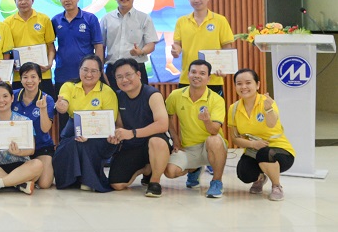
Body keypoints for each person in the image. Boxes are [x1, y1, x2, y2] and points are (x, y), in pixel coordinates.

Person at [52, 54, 119, 192]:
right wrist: (61, 106)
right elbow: (63, 102)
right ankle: (71, 180)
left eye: (94, 71)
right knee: (70, 144)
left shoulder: (107, 92)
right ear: (79, 70)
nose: (89, 74)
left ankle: (88, 180)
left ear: (100, 73)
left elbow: (109, 122)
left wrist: (90, 134)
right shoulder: (69, 86)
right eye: (85, 70)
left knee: (86, 144)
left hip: (100, 135)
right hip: (73, 131)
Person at [163, 59, 228, 198]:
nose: (197, 76)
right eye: (193, 72)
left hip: (210, 147)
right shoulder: (176, 95)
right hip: (188, 148)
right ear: (188, 75)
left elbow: (214, 131)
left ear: (208, 78)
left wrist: (207, 121)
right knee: (170, 172)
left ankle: (217, 181)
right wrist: (175, 139)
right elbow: (167, 116)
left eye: (202, 73)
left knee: (214, 140)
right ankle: (194, 169)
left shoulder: (217, 99)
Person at [228, 68, 295, 201]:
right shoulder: (233, 108)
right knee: (244, 173)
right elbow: (235, 138)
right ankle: (260, 178)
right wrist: (253, 144)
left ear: (257, 85)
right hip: (253, 150)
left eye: (248, 83)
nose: (244, 87)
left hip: (279, 150)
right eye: (239, 83)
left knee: (265, 153)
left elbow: (271, 124)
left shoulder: (267, 102)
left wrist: (268, 109)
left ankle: (276, 186)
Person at [107, 58, 170, 197]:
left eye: (128, 75)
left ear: (139, 74)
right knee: (117, 184)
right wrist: (116, 135)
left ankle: (154, 182)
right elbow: (119, 125)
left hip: (153, 142)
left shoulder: (153, 94)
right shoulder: (117, 97)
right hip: (132, 145)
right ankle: (147, 169)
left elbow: (162, 124)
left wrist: (133, 133)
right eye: (119, 77)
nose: (124, 80)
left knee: (157, 142)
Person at [0, 82, 46, 196]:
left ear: (12, 98)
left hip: (21, 165)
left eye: (5, 96)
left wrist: (19, 152)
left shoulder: (24, 120)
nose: (1, 100)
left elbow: (31, 150)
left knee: (38, 164)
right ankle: (19, 183)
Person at [172, 0, 235, 94]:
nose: (196, 0)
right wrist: (176, 51)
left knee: (214, 106)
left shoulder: (220, 20)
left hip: (213, 78)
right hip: (188, 78)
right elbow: (178, 44)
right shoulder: (181, 21)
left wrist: (225, 68)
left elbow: (227, 47)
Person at [99, 0, 157, 89]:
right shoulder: (106, 19)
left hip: (136, 68)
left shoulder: (144, 18)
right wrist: (100, 69)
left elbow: (151, 44)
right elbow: (100, 46)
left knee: (139, 99)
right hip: (113, 69)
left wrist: (141, 51)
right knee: (112, 99)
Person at [10, 62, 55, 190]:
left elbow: (45, 129)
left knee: (44, 184)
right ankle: (22, 180)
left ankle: (19, 179)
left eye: (33, 77)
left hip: (41, 146)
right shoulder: (13, 96)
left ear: (40, 79)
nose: (29, 81)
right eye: (25, 77)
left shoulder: (47, 99)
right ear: (21, 79)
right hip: (18, 147)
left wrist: (43, 109)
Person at [2, 0, 55, 94]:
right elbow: (7, 51)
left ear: (33, 0)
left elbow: (50, 46)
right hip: (20, 76)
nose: (23, 2)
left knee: (45, 103)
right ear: (15, 1)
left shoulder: (44, 19)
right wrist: (11, 65)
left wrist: (49, 64)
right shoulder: (7, 23)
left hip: (43, 74)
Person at [52, 0, 104, 92]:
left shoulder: (90, 19)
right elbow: (50, 44)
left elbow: (98, 46)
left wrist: (98, 70)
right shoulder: (55, 20)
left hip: (87, 75)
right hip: (62, 74)